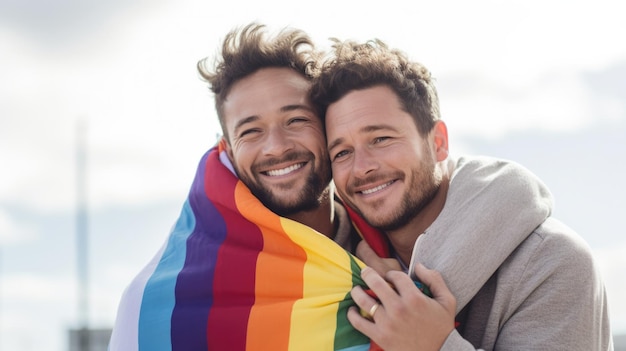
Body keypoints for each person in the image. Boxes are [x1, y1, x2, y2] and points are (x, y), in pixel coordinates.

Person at [109, 23, 555, 350]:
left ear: (328, 130)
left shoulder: (396, 239)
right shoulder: (169, 298)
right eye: (251, 131)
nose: (278, 147)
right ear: (227, 147)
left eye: (296, 120)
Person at [309, 38, 613, 350]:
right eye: (342, 153)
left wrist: (435, 345)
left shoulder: (551, 261)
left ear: (438, 143)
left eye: (381, 139)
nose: (362, 168)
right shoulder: (339, 266)